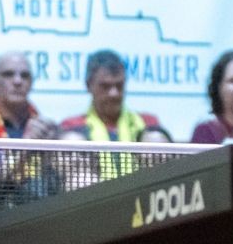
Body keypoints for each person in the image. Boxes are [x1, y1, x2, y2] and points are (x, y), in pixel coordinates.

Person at [60, 50, 164, 180]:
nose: (114, 93)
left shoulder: (148, 124)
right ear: (88, 85)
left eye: (119, 86)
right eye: (105, 86)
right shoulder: (72, 128)